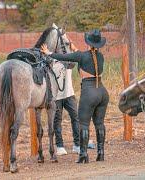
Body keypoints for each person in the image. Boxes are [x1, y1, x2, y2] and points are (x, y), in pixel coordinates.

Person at [41, 29, 109, 163]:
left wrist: (48, 53)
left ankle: (83, 155)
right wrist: (75, 49)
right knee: (99, 123)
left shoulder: (82, 56)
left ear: (88, 43)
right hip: (102, 92)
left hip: (89, 92)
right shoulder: (100, 56)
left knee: (83, 124)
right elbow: (86, 56)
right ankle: (100, 153)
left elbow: (64, 57)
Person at [52, 61, 80, 155]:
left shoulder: (67, 58)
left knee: (76, 117)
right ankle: (59, 146)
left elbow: (73, 63)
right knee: (57, 120)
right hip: (56, 96)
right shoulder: (50, 60)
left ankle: (77, 144)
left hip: (69, 94)